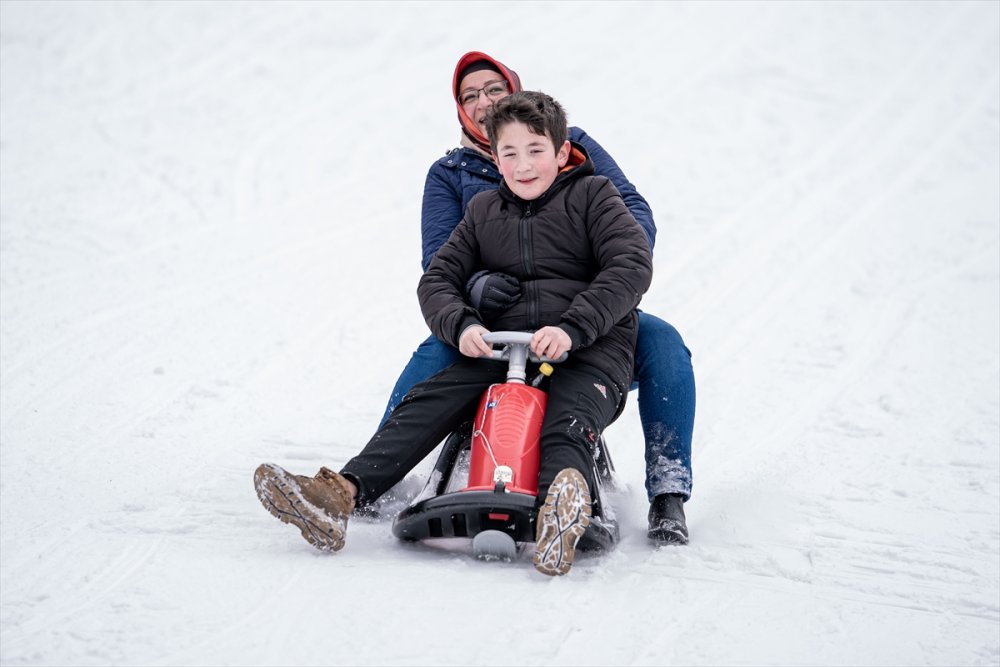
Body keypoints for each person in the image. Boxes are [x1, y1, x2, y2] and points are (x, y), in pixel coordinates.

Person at [255, 91, 653, 576]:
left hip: (586, 349)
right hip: (503, 348)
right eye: (510, 153)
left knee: (569, 419)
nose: (523, 165)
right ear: (495, 157)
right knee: (430, 401)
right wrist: (461, 324)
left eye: (535, 150)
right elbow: (438, 280)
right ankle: (338, 494)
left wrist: (572, 328)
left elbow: (630, 264)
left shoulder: (593, 196)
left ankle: (559, 512)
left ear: (561, 152)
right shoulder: (485, 211)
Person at [381, 51, 695, 544]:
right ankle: (377, 471)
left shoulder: (573, 149)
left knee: (662, 343)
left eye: (493, 89)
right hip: (497, 316)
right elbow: (440, 262)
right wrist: (476, 289)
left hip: (583, 308)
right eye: (470, 96)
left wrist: (599, 272)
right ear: (462, 111)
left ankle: (668, 492)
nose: (483, 101)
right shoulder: (451, 174)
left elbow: (631, 213)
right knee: (437, 350)